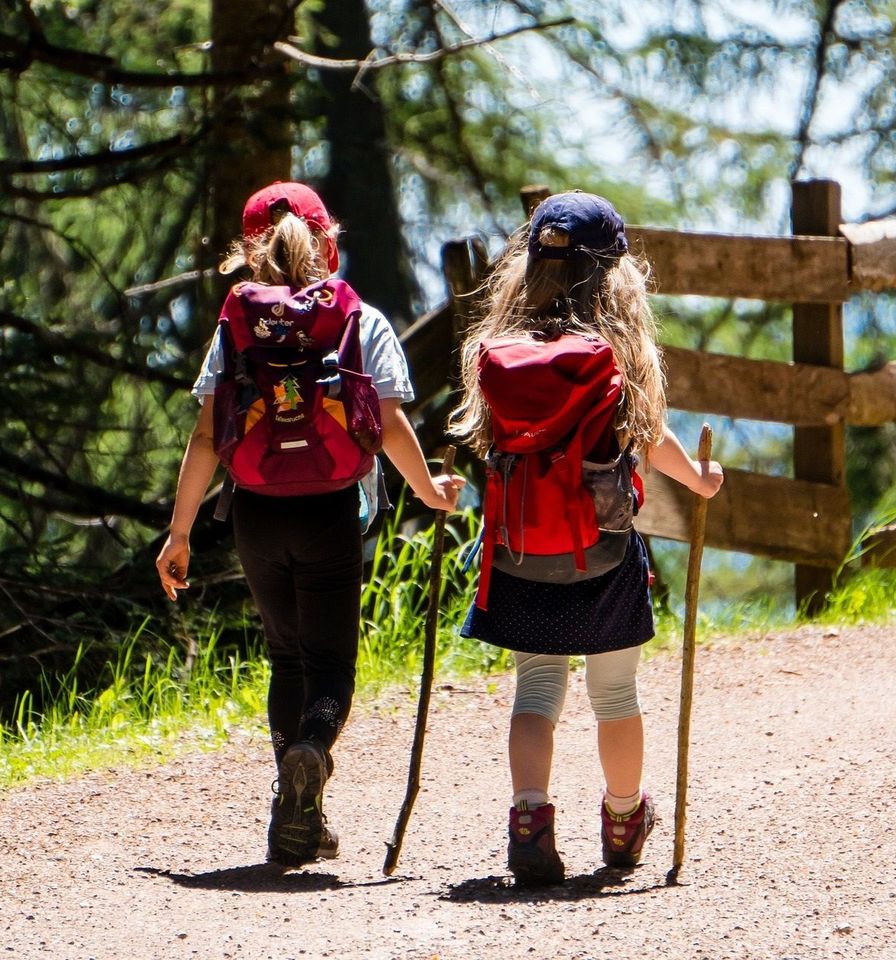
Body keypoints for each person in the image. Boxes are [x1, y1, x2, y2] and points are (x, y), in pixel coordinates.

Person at [155, 181, 464, 867]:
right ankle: (311, 753)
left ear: (248, 251)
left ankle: (294, 814)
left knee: (286, 656)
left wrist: (178, 534)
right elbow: (385, 425)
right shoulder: (358, 319)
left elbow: (208, 436)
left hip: (256, 512)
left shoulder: (234, 328)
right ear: (328, 242)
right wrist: (431, 492)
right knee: (331, 665)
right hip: (331, 510)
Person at [449, 190, 723, 885]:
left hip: (517, 557)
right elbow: (649, 438)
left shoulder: (495, 351)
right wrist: (699, 480)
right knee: (615, 694)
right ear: (615, 274)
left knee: (536, 691)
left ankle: (529, 816)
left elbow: (483, 444)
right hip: (599, 557)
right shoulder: (614, 352)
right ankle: (625, 818)